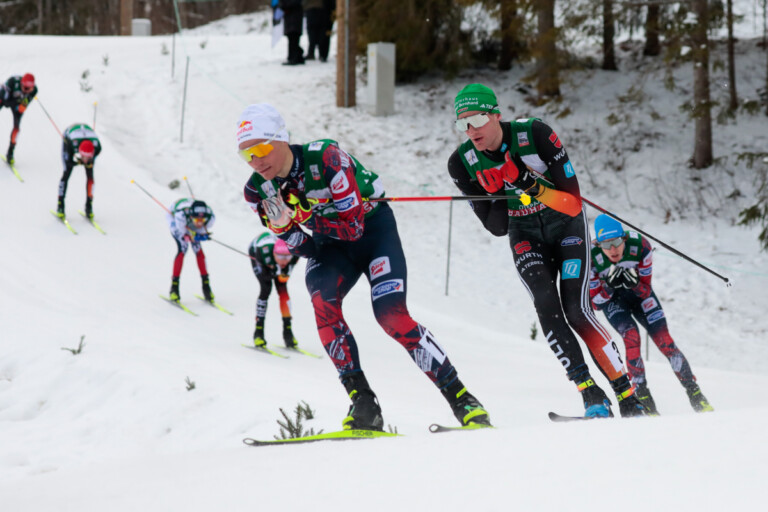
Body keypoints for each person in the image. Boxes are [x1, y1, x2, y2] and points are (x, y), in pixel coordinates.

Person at [237, 103, 491, 431]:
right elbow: (310, 248)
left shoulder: (327, 159)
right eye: (246, 155)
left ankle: (462, 399)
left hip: (373, 232)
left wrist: (307, 217)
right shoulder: (259, 190)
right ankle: (363, 402)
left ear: (281, 138)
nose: (256, 161)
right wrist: (286, 229)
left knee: (391, 316)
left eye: (260, 148)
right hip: (330, 245)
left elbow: (354, 229)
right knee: (322, 300)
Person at [447, 83, 646, 418]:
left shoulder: (535, 135)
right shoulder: (463, 163)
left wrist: (526, 181)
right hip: (526, 234)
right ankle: (590, 393)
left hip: (566, 229)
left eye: (478, 119)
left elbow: (571, 204)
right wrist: (495, 193)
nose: (472, 130)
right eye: (462, 123)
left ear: (496, 114)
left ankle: (628, 396)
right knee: (546, 305)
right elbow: (497, 227)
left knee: (576, 309)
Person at [589, 214, 714, 414]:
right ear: (598, 243)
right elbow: (595, 303)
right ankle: (644, 399)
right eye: (606, 244)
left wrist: (635, 284)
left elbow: (646, 290)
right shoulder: (591, 255)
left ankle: (696, 395)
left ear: (624, 239)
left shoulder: (640, 246)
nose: (612, 249)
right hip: (613, 302)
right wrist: (610, 288)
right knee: (631, 337)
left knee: (665, 341)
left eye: (616, 242)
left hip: (639, 297)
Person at [248, 233, 300, 348]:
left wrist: (281, 272)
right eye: (281, 257)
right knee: (266, 288)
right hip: (256, 251)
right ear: (274, 254)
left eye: (287, 257)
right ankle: (258, 332)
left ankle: (288, 332)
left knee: (283, 290)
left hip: (274, 257)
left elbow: (284, 274)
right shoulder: (264, 252)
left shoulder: (294, 256)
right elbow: (265, 275)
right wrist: (272, 272)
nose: (284, 261)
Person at [167, 198, 216, 303]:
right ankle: (174, 288)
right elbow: (184, 234)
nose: (199, 223)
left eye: (202, 220)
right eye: (197, 220)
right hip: (175, 219)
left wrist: (202, 235)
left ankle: (206, 286)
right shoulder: (181, 216)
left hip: (189, 218)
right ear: (191, 216)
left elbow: (201, 229)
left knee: (198, 250)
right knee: (183, 249)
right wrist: (191, 236)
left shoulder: (210, 217)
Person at [56, 123, 102, 219]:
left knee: (90, 176)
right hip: (69, 135)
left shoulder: (97, 147)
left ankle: (89, 205)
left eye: (88, 157)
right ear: (80, 153)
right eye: (84, 157)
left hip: (86, 135)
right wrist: (77, 162)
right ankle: (60, 204)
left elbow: (92, 159)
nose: (86, 160)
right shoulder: (72, 144)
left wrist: (88, 162)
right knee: (66, 172)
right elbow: (69, 162)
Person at [0, 73, 37, 164]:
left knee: (17, 129)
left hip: (16, 103)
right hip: (4, 98)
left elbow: (26, 102)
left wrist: (23, 105)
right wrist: (18, 102)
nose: (27, 91)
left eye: (30, 89)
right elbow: (6, 102)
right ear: (21, 84)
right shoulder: (12, 82)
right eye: (25, 88)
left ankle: (10, 153)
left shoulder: (34, 90)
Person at [280, 0, 305, 65]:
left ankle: (295, 57)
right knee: (291, 37)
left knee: (294, 37)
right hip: (290, 17)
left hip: (295, 17)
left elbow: (297, 2)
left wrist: (286, 6)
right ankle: (293, 57)